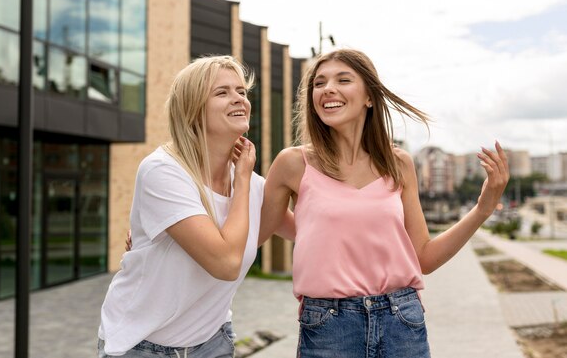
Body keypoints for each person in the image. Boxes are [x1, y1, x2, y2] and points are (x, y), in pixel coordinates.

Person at [259, 48, 509, 358]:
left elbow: (424, 258)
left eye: (343, 79)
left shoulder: (399, 163)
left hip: (401, 320)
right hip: (329, 327)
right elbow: (254, 235)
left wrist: (482, 209)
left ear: (369, 97)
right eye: (318, 83)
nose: (327, 89)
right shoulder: (293, 163)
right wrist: (239, 178)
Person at [98, 55, 261, 358]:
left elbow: (312, 225)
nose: (239, 99)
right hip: (143, 346)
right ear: (192, 109)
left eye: (241, 91)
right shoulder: (162, 171)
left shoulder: (251, 182)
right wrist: (243, 181)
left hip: (213, 342)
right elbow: (226, 263)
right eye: (222, 92)